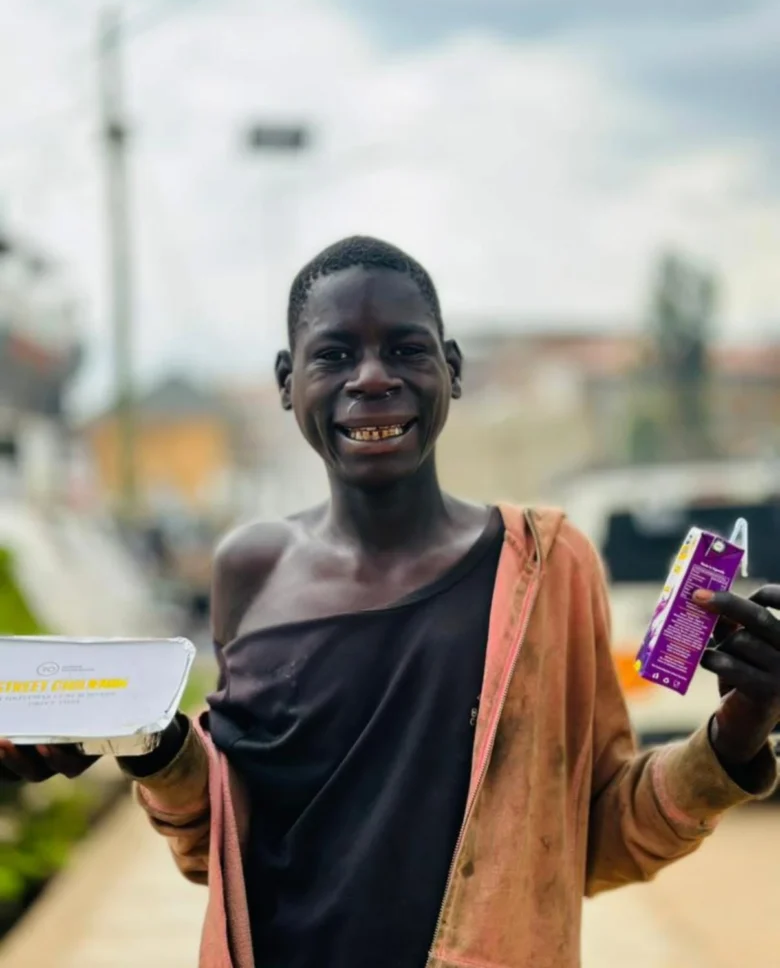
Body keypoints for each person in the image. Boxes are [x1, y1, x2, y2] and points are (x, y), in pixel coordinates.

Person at [2, 235, 780, 968]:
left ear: (452, 368)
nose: (371, 377)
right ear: (286, 381)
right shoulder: (250, 568)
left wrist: (734, 735)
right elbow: (221, 850)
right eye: (334, 354)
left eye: (406, 349)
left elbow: (602, 835)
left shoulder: (543, 569)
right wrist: (140, 742)